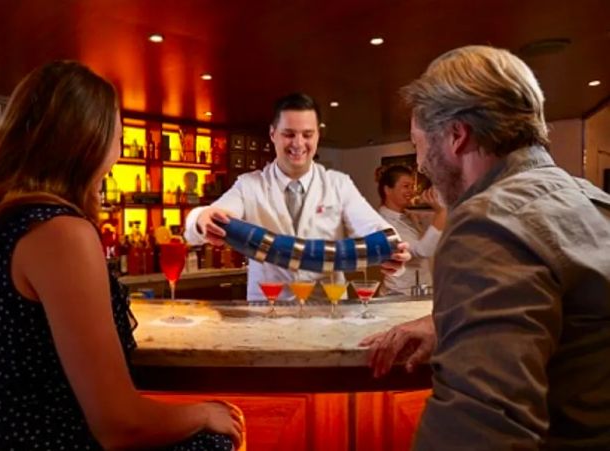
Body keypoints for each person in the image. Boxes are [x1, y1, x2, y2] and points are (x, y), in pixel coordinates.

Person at [0, 61, 243, 450]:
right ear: (94, 140)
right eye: (119, 130)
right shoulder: (59, 232)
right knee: (217, 437)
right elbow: (119, 425)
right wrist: (204, 412)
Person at [363, 45, 610, 449]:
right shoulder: (593, 201)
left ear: (456, 136)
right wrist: (456, 321)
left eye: (419, 145)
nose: (421, 164)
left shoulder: (488, 223)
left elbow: (479, 432)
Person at [184, 93, 410, 300]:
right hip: (268, 315)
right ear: (273, 134)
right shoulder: (249, 185)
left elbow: (376, 229)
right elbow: (209, 219)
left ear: (318, 136)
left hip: (327, 316)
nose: (298, 144)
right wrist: (201, 218)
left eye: (307, 135)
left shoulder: (339, 184)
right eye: (289, 134)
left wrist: (393, 252)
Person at [377, 165, 446, 294]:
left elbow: (444, 224)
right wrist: (441, 212)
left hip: (422, 290)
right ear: (387, 190)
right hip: (399, 294)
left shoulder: (410, 216)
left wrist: (440, 204)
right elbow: (421, 251)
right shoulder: (382, 223)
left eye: (412, 187)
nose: (412, 191)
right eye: (406, 186)